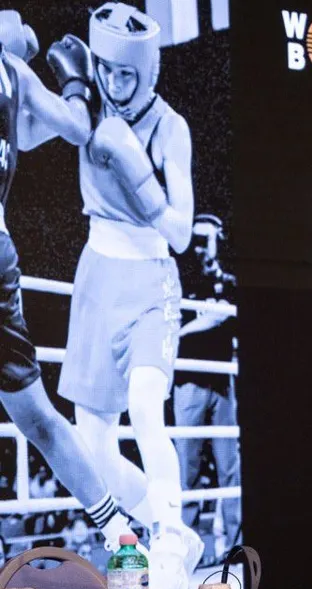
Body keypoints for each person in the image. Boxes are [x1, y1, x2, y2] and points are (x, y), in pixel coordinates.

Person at [19, 2, 201, 589]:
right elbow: (27, 135)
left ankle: (170, 544)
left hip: (150, 276)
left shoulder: (170, 127)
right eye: (106, 70)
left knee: (147, 407)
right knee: (94, 444)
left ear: (147, 71)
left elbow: (181, 232)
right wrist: (67, 90)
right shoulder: (89, 102)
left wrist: (138, 176)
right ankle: (165, 530)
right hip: (96, 277)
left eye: (127, 74)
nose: (115, 83)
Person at [0, 10, 137, 553]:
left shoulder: (14, 70)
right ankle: (121, 536)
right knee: (38, 417)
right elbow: (74, 126)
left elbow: (58, 129)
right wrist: (75, 83)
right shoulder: (15, 73)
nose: (28, 32)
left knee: (39, 417)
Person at [174, 215, 240, 561]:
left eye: (207, 239)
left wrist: (187, 328)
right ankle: (191, 551)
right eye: (196, 240)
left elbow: (223, 313)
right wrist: (197, 322)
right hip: (188, 382)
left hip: (222, 384)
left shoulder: (228, 280)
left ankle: (234, 546)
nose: (200, 246)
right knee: (187, 470)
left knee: (230, 469)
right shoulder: (179, 277)